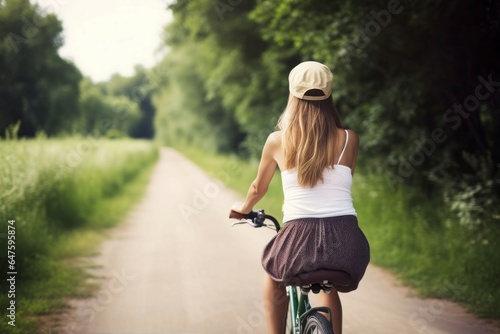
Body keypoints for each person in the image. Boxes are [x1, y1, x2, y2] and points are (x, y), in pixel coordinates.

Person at [230, 61, 370, 334]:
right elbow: (342, 182)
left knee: (273, 276)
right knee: (327, 287)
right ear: (329, 95)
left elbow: (258, 189)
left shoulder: (277, 141)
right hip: (348, 244)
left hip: (299, 238)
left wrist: (243, 208)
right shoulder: (349, 139)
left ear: (292, 96)